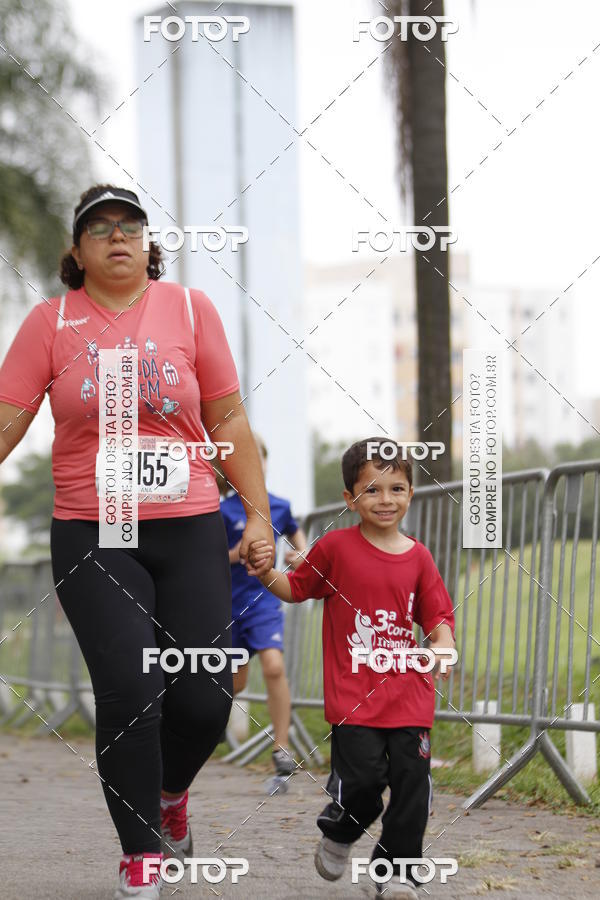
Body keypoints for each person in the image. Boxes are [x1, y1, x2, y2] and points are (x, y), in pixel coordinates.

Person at [0, 184, 274, 899]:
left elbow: (230, 419)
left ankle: (170, 796)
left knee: (206, 697)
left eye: (130, 226)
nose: (117, 237)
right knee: (131, 690)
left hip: (186, 522)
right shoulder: (50, 322)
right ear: (77, 249)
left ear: (147, 243)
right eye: (100, 228)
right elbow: (7, 420)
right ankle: (139, 856)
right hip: (95, 529)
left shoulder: (189, 309)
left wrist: (258, 516)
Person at [246, 437, 456, 899]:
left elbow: (439, 618)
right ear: (350, 498)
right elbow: (294, 588)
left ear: (411, 494)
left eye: (397, 489)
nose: (386, 500)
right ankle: (341, 831)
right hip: (355, 698)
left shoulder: (419, 557)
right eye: (373, 490)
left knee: (411, 784)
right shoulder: (336, 549)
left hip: (410, 695)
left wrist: (441, 645)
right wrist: (265, 573)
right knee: (363, 784)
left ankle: (398, 869)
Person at [219, 433, 307, 777]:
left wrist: (300, 555)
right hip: (226, 605)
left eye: (259, 456)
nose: (253, 462)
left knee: (273, 666)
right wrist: (239, 553)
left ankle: (281, 747)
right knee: (234, 684)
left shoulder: (279, 506)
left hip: (263, 602)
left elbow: (301, 543)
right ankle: (197, 734)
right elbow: (211, 558)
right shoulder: (221, 509)